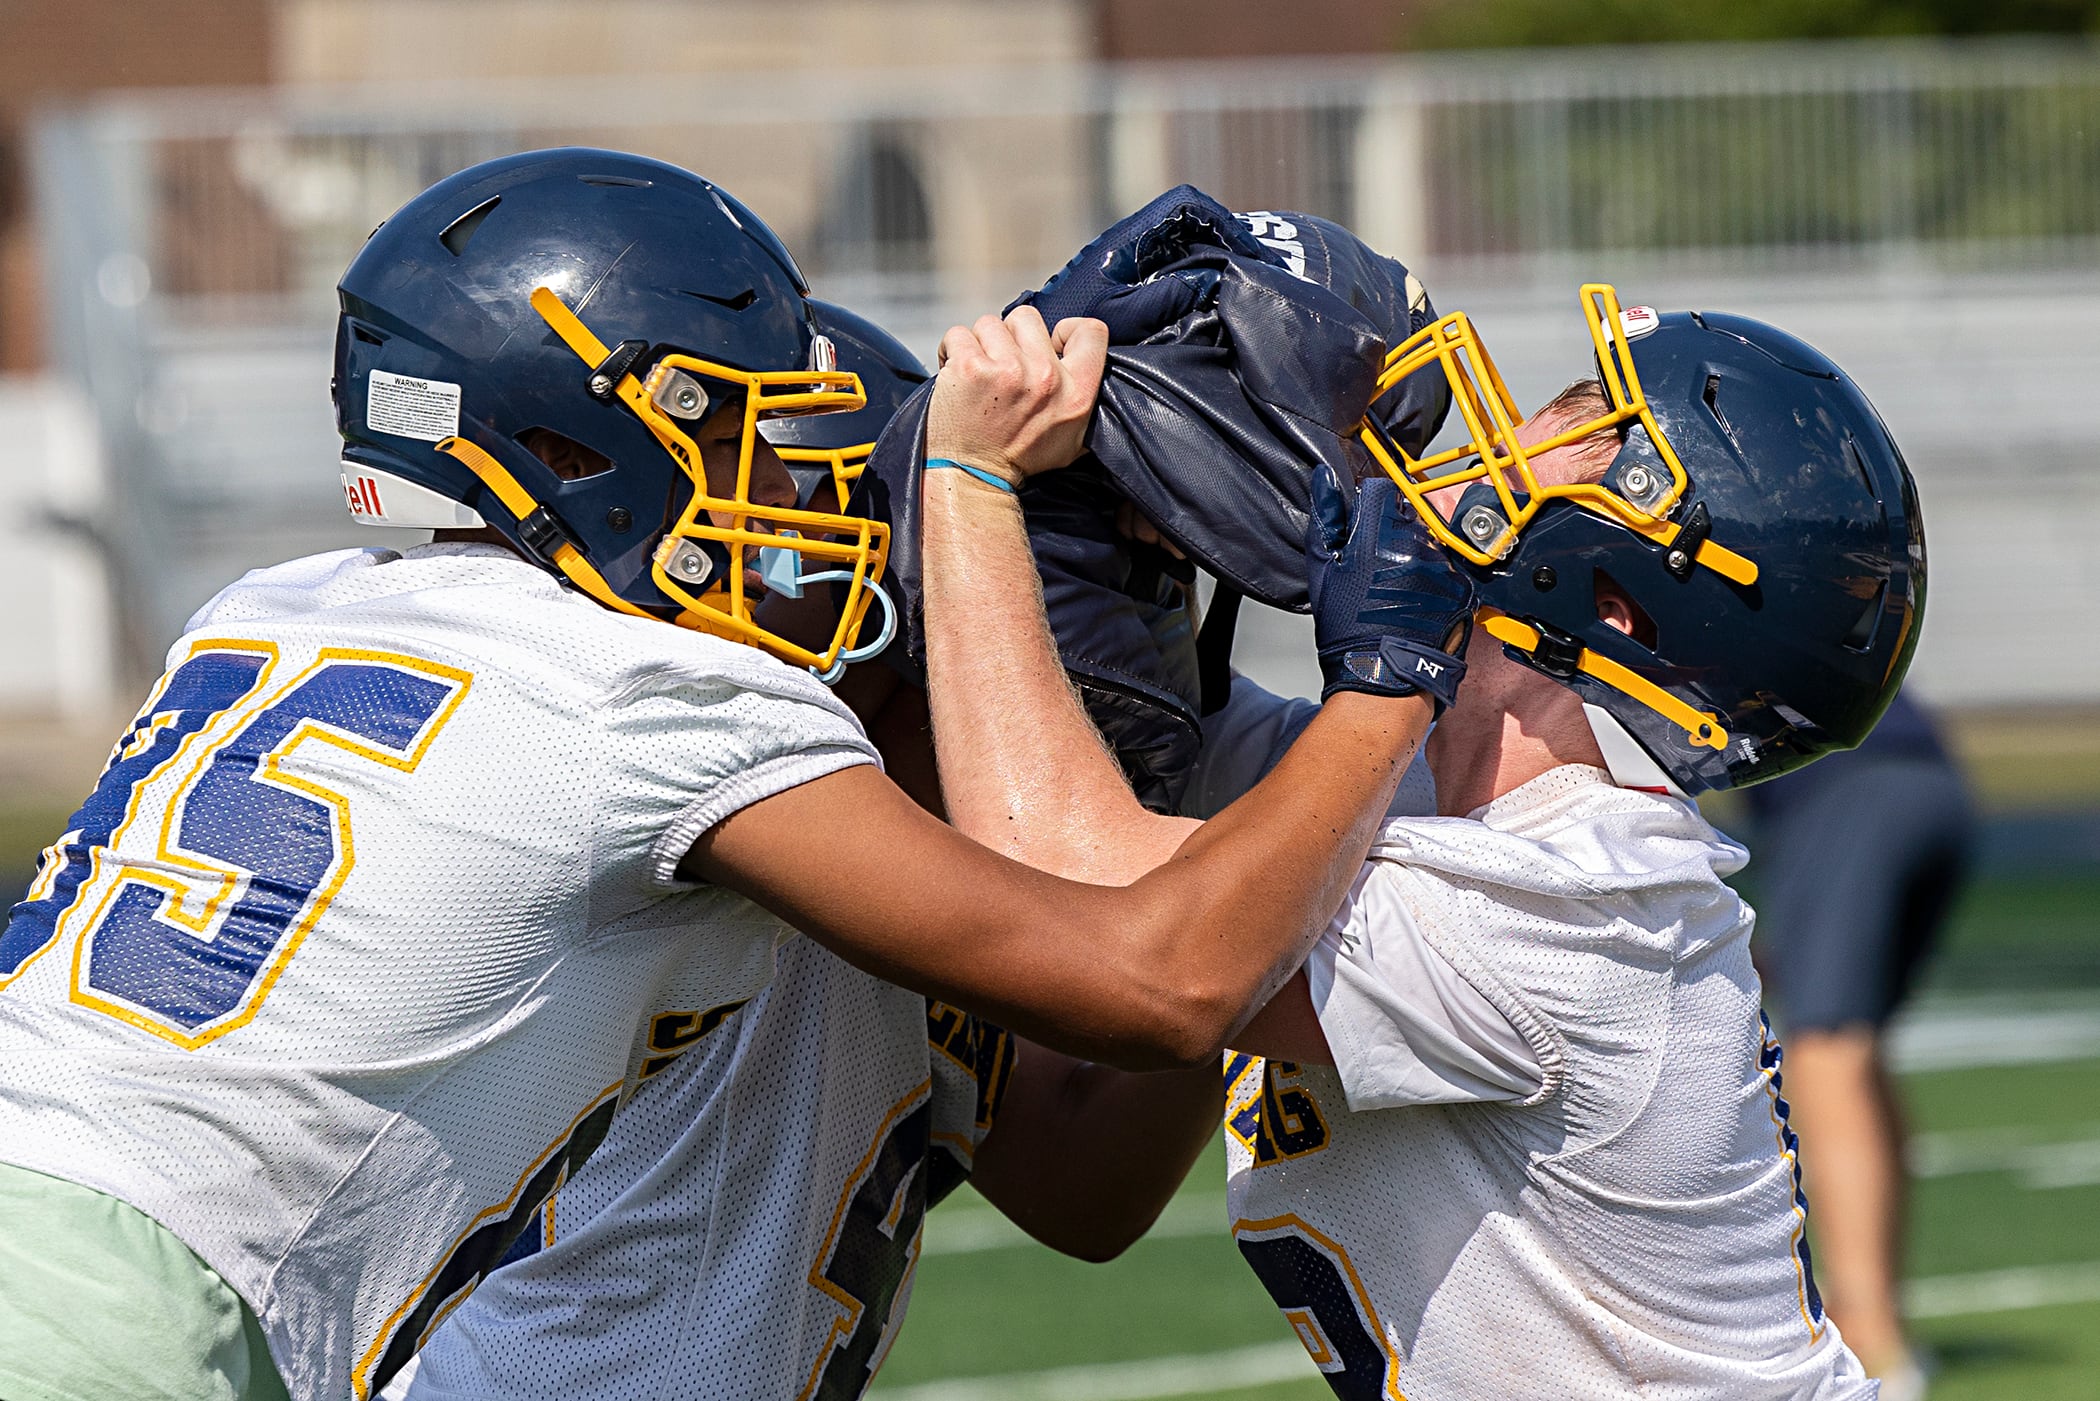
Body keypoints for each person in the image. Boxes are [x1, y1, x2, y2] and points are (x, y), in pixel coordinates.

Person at [0, 148, 1464, 1401]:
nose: (795, 514)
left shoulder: (270, 609)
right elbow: (1155, 982)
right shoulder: (675, 704)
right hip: (118, 1316)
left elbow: (1086, 1171)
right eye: (748, 437)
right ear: (574, 435)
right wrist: (1379, 680)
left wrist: (1144, 752)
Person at [913, 281, 1924, 1399]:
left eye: (1538, 446)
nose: (1468, 468)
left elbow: (1059, 871)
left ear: (1615, 602)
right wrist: (1120, 518)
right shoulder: (1471, 816)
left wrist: (967, 477)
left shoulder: (1577, 907)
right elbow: (1168, 744)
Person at [386, 302, 1225, 1401]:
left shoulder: (888, 862)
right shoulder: (689, 780)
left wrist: (1153, 816)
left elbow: (1085, 1185)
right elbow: (1156, 986)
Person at [1743, 689, 1974, 1401]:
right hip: (1936, 785)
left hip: (1848, 789)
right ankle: (1883, 1315)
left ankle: (1870, 1333)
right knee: (1857, 1051)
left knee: (1825, 1049)